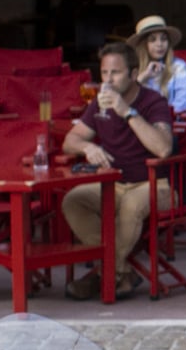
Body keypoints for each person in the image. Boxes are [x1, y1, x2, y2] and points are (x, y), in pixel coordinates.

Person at [60, 41, 176, 301]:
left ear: (134, 74)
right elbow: (70, 140)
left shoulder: (152, 101)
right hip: (113, 184)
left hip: (154, 184)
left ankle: (103, 276)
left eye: (115, 73)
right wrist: (88, 147)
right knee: (73, 201)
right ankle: (119, 273)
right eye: (104, 73)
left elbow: (163, 149)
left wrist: (127, 112)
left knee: (130, 207)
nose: (108, 80)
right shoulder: (100, 103)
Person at [129, 16, 186, 116]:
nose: (159, 44)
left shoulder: (178, 66)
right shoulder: (132, 69)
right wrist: (143, 77)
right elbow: (123, 101)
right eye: (153, 40)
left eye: (164, 39)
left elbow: (184, 103)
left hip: (168, 124)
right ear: (143, 45)